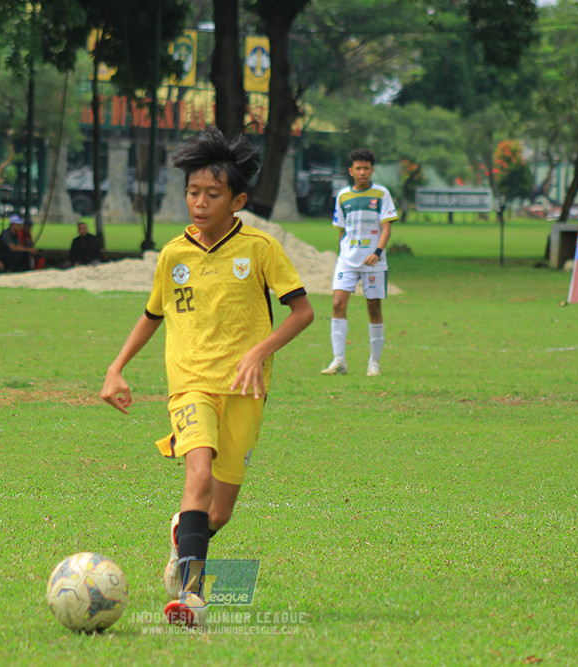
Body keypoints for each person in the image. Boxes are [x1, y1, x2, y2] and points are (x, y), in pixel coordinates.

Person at [99, 127, 314, 627]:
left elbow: (302, 313)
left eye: (212, 194)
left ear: (237, 200)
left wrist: (259, 352)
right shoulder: (173, 254)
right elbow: (153, 314)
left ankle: (185, 535)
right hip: (190, 382)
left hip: (244, 389)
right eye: (193, 192)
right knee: (196, 473)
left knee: (217, 513)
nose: (199, 202)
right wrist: (116, 368)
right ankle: (192, 596)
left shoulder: (261, 248)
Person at [320, 148, 398, 377]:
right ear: (351, 171)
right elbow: (342, 230)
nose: (362, 172)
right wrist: (342, 254)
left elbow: (387, 227)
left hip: (374, 261)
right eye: (358, 168)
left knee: (373, 308)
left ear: (372, 170)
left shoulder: (381, 194)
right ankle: (339, 361)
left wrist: (377, 251)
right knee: (337, 304)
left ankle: (374, 362)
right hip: (347, 260)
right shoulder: (343, 195)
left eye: (366, 168)